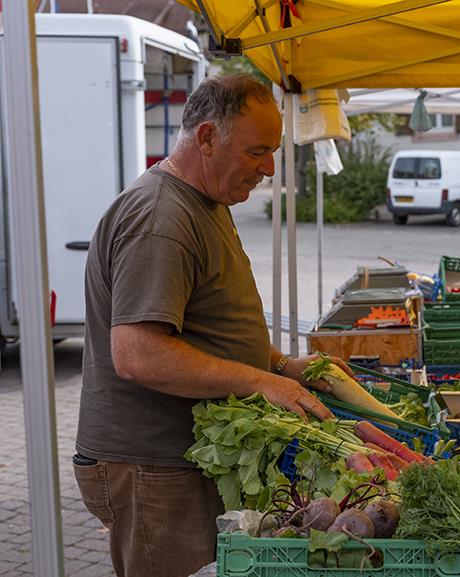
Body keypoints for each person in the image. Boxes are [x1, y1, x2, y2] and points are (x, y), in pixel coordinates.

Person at [75, 74, 351, 577]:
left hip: (184, 462)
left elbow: (208, 325)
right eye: (257, 151)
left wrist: (283, 365)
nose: (269, 168)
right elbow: (138, 352)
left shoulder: (206, 201)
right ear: (206, 138)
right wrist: (257, 380)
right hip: (155, 468)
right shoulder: (161, 217)